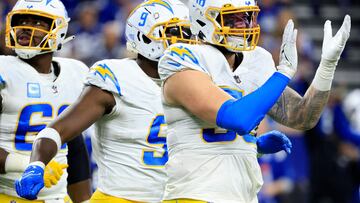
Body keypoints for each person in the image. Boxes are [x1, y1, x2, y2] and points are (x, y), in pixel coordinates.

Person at [156, 0, 351, 202]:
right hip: (196, 194)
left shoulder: (256, 59)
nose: (244, 26)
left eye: (247, 18)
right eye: (233, 19)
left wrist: (326, 67)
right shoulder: (182, 58)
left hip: (244, 196)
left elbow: (301, 117)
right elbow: (237, 118)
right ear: (204, 19)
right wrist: (283, 73)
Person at [14, 0, 194, 202]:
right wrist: (36, 165)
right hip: (121, 197)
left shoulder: (194, 81)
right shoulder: (119, 78)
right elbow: (60, 130)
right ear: (144, 36)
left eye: (186, 33)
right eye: (171, 33)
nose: (182, 41)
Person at [0, 0, 92, 202]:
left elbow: (74, 145)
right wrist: (27, 164)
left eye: (37, 23)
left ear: (59, 30)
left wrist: (83, 199)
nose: (25, 28)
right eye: (21, 20)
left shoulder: (76, 73)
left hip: (59, 197)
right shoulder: (3, 72)